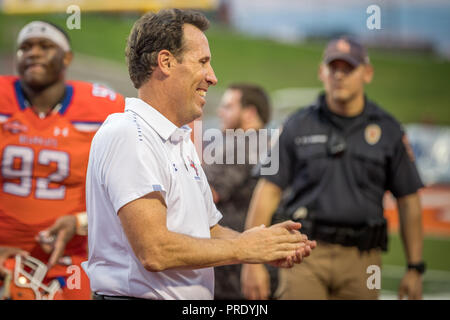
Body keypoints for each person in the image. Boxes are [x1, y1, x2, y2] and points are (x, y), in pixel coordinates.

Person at [82, 9, 316, 300]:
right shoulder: (129, 134)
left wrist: (262, 244)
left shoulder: (177, 140)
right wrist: (245, 248)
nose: (213, 77)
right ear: (165, 62)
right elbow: (155, 250)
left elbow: (208, 230)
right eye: (203, 62)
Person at [242, 37, 425, 300]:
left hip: (363, 260)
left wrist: (414, 268)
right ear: (321, 72)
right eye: (333, 67)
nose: (339, 75)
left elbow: (408, 200)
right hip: (303, 254)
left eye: (348, 68)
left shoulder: (388, 130)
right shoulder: (297, 125)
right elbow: (267, 191)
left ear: (367, 73)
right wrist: (253, 261)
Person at [0, 21, 124, 300]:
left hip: (73, 259)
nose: (33, 53)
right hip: (4, 256)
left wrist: (81, 222)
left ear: (67, 58)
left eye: (45, 46)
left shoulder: (104, 107)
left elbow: (127, 189)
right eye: (25, 47)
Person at [203, 83, 279, 300]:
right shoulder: (268, 144)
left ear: (250, 112)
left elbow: (206, 194)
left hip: (233, 267)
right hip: (256, 257)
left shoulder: (244, 144)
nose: (220, 111)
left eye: (228, 106)